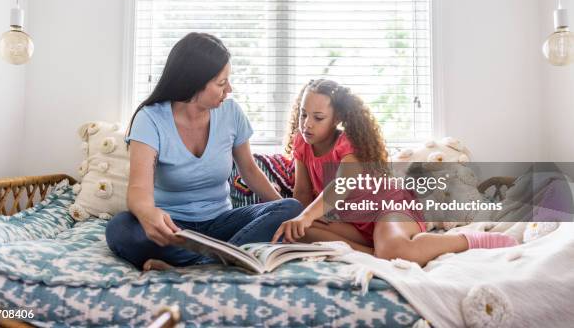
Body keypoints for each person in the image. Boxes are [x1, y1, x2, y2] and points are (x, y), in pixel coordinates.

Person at [106, 32, 302, 270]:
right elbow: (139, 188)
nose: (228, 89)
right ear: (193, 83)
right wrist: (148, 214)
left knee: (290, 207)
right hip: (173, 229)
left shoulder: (231, 113)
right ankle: (223, 260)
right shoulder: (150, 119)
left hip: (221, 224)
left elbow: (250, 171)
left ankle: (196, 264)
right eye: (221, 83)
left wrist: (287, 216)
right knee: (120, 228)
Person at [271, 79, 517, 266]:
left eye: (318, 117)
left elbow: (341, 187)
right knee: (296, 234)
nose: (307, 124)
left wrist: (306, 216)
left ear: (337, 119)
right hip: (353, 223)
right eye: (303, 114)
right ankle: (374, 252)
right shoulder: (302, 143)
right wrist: (300, 219)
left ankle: (470, 240)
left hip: (387, 209)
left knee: (395, 251)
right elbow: (302, 191)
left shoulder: (347, 144)